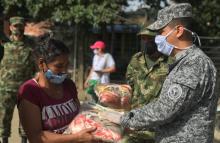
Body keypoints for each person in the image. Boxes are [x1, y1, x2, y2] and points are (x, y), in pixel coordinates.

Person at [120, 3, 218, 143]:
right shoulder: (185, 62)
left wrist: (125, 119)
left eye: (161, 32)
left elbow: (164, 109)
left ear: (178, 31)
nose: (157, 37)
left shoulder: (194, 64)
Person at [17, 36, 104, 143]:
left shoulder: (69, 85)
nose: (64, 71)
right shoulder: (30, 91)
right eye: (59, 66)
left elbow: (79, 117)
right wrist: (77, 138)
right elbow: (36, 137)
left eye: (67, 65)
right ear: (42, 64)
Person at [122, 29, 173, 143]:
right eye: (143, 38)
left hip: (157, 127)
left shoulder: (170, 62)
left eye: (150, 38)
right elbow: (130, 84)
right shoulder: (136, 59)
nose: (146, 42)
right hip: (134, 124)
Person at [0, 16, 35, 143]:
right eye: (15, 26)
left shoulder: (30, 47)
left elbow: (36, 68)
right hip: (6, 89)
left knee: (25, 118)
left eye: (20, 26)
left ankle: (23, 141)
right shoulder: (4, 46)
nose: (18, 28)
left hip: (24, 89)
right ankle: (4, 140)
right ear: (10, 27)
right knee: (4, 118)